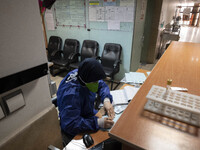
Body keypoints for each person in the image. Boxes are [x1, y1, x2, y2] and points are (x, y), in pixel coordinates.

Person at [57, 58, 115, 145]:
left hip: (86, 114)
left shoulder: (84, 74)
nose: (97, 83)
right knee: (105, 141)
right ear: (87, 81)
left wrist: (106, 100)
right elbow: (71, 124)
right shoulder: (71, 95)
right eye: (95, 81)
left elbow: (101, 85)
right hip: (73, 128)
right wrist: (98, 123)